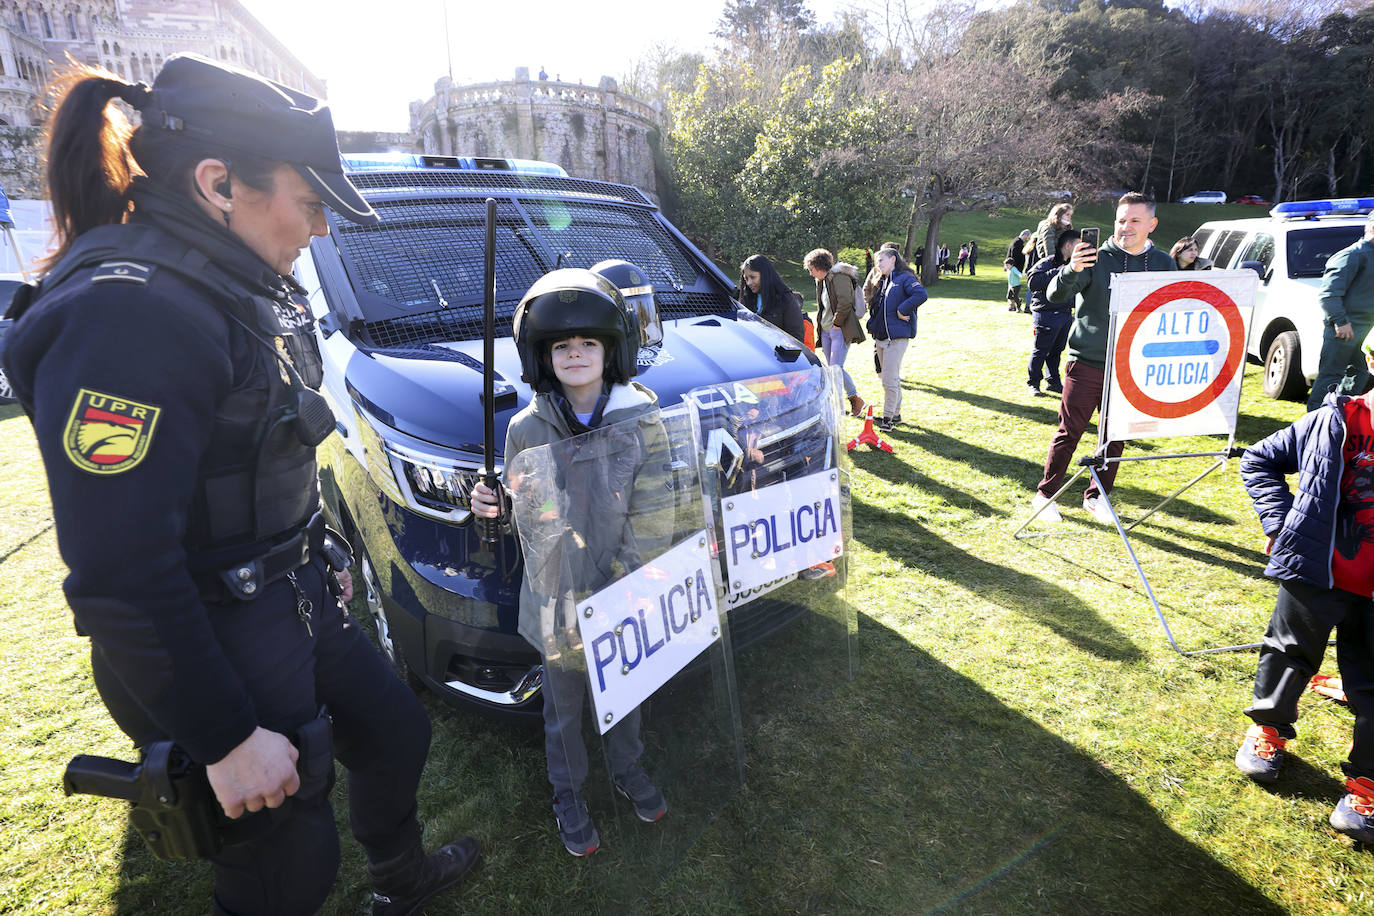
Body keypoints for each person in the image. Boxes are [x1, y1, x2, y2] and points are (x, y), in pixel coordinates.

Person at [0, 55, 479, 915]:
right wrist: (224, 740)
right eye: (309, 202)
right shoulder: (130, 313)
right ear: (219, 182)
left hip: (294, 593)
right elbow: (119, 575)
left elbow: (258, 454)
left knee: (394, 731)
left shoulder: (226, 280)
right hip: (212, 637)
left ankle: (402, 883)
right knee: (284, 859)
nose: (322, 230)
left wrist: (317, 547)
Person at [469, 267, 668, 857]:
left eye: (589, 343)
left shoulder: (642, 416)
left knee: (628, 689)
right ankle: (569, 793)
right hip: (557, 595)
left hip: (624, 586)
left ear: (612, 351)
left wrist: (620, 579)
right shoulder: (526, 429)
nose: (576, 353)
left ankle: (626, 767)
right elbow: (534, 516)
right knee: (563, 708)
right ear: (543, 355)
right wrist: (495, 507)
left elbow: (654, 507)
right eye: (562, 345)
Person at [1234, 328, 1374, 844]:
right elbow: (1260, 459)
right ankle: (1267, 731)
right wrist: (1279, 525)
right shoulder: (1333, 419)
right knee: (1288, 653)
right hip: (1317, 570)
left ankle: (1367, 787)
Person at [1029, 192, 1175, 524]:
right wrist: (1071, 269)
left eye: (1135, 220)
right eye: (1121, 220)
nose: (1126, 227)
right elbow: (1055, 294)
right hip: (1088, 362)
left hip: (1132, 366)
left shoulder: (1164, 263)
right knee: (1070, 432)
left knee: (1115, 435)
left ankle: (1097, 497)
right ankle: (1044, 496)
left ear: (1151, 224)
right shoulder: (1095, 256)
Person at [1305, 211, 1374, 412]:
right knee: (1330, 377)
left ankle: (1339, 419)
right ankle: (1314, 422)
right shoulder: (1352, 255)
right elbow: (1328, 294)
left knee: (1359, 375)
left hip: (1367, 334)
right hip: (1345, 330)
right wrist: (1341, 322)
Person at [866, 246, 927, 430]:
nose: (878, 265)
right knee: (890, 378)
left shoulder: (904, 279)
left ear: (893, 259)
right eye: (877, 262)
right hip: (882, 338)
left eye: (881, 261)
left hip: (896, 337)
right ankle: (896, 414)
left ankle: (887, 419)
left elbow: (921, 294)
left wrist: (903, 310)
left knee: (888, 379)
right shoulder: (883, 281)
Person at [804, 247, 866, 417]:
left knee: (835, 369)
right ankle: (853, 400)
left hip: (838, 329)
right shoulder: (822, 281)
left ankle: (838, 407)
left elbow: (845, 301)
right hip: (825, 330)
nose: (810, 273)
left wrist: (836, 324)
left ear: (819, 266)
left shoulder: (838, 277)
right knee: (833, 369)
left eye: (811, 269)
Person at [1025, 229, 1080, 397]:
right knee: (1040, 350)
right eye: (1078, 245)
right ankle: (1033, 383)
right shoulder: (1048, 261)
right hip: (1046, 313)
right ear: (1068, 245)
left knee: (1057, 350)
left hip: (1064, 313)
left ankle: (1053, 382)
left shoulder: (1075, 265)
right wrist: (1059, 271)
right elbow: (1033, 281)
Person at [739, 253, 805, 342]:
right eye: (746, 279)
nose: (749, 283)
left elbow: (797, 337)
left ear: (765, 275)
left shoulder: (786, 299)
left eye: (753, 277)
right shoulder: (746, 299)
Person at [1005, 229, 1033, 313]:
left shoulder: (1015, 241)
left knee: (1011, 287)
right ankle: (1013, 305)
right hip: (1014, 268)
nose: (1028, 239)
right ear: (1025, 235)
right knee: (1013, 288)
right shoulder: (1018, 243)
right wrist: (1015, 269)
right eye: (1028, 237)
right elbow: (1015, 256)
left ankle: (1011, 306)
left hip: (1011, 268)